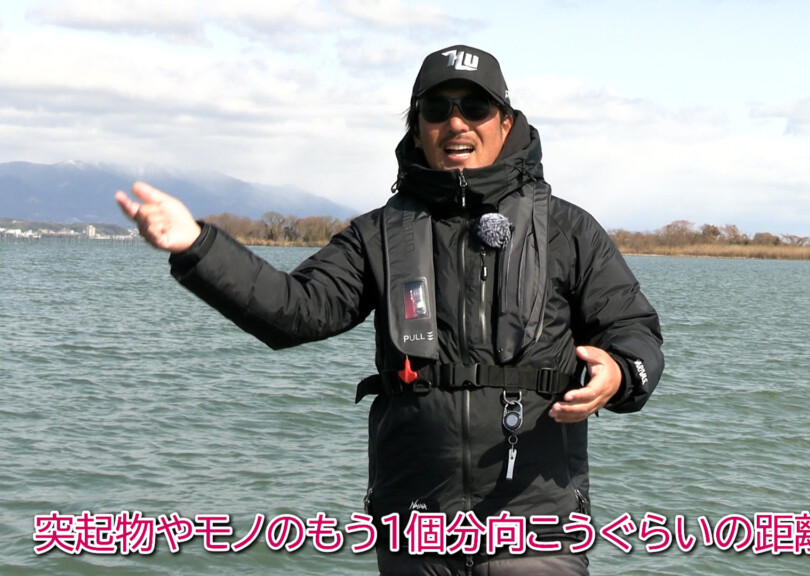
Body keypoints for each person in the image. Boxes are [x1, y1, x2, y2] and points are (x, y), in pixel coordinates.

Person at [116, 44, 663, 575]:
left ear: (505, 122)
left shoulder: (567, 229)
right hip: (415, 529)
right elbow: (293, 309)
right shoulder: (378, 234)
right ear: (417, 128)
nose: (456, 123)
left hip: (536, 525)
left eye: (474, 107)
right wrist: (198, 246)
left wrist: (620, 373)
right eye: (436, 109)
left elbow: (633, 329)